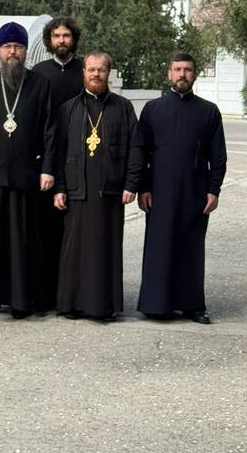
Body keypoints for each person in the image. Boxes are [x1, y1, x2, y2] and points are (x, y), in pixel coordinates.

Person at [0, 21, 55, 319]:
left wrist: (48, 169)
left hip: (26, 174)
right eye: (7, 47)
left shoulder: (40, 84)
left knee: (22, 239)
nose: (12, 52)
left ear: (25, 51)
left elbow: (50, 131)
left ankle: (21, 300)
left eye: (17, 47)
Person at [137, 53, 227, 324]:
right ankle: (156, 305)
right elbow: (141, 152)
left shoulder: (209, 111)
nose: (182, 74)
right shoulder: (152, 109)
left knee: (191, 247)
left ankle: (193, 306)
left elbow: (218, 156)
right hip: (160, 190)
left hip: (195, 190)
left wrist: (214, 190)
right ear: (169, 74)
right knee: (160, 246)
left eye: (187, 70)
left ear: (194, 75)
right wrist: (143, 187)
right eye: (177, 69)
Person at [54, 52, 143, 321]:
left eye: (101, 70)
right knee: (75, 249)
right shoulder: (68, 108)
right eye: (91, 69)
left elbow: (136, 148)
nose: (96, 74)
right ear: (83, 73)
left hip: (109, 191)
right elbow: (58, 152)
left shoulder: (123, 107)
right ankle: (72, 304)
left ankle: (103, 307)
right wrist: (59, 188)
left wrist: (131, 183)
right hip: (77, 190)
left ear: (108, 73)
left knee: (105, 248)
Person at [32, 16, 84, 309]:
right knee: (46, 230)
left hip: (80, 158)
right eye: (56, 36)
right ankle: (45, 294)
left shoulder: (85, 70)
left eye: (66, 35)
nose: (61, 40)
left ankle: (73, 294)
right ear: (49, 40)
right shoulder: (39, 72)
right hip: (47, 160)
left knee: (75, 232)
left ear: (73, 39)